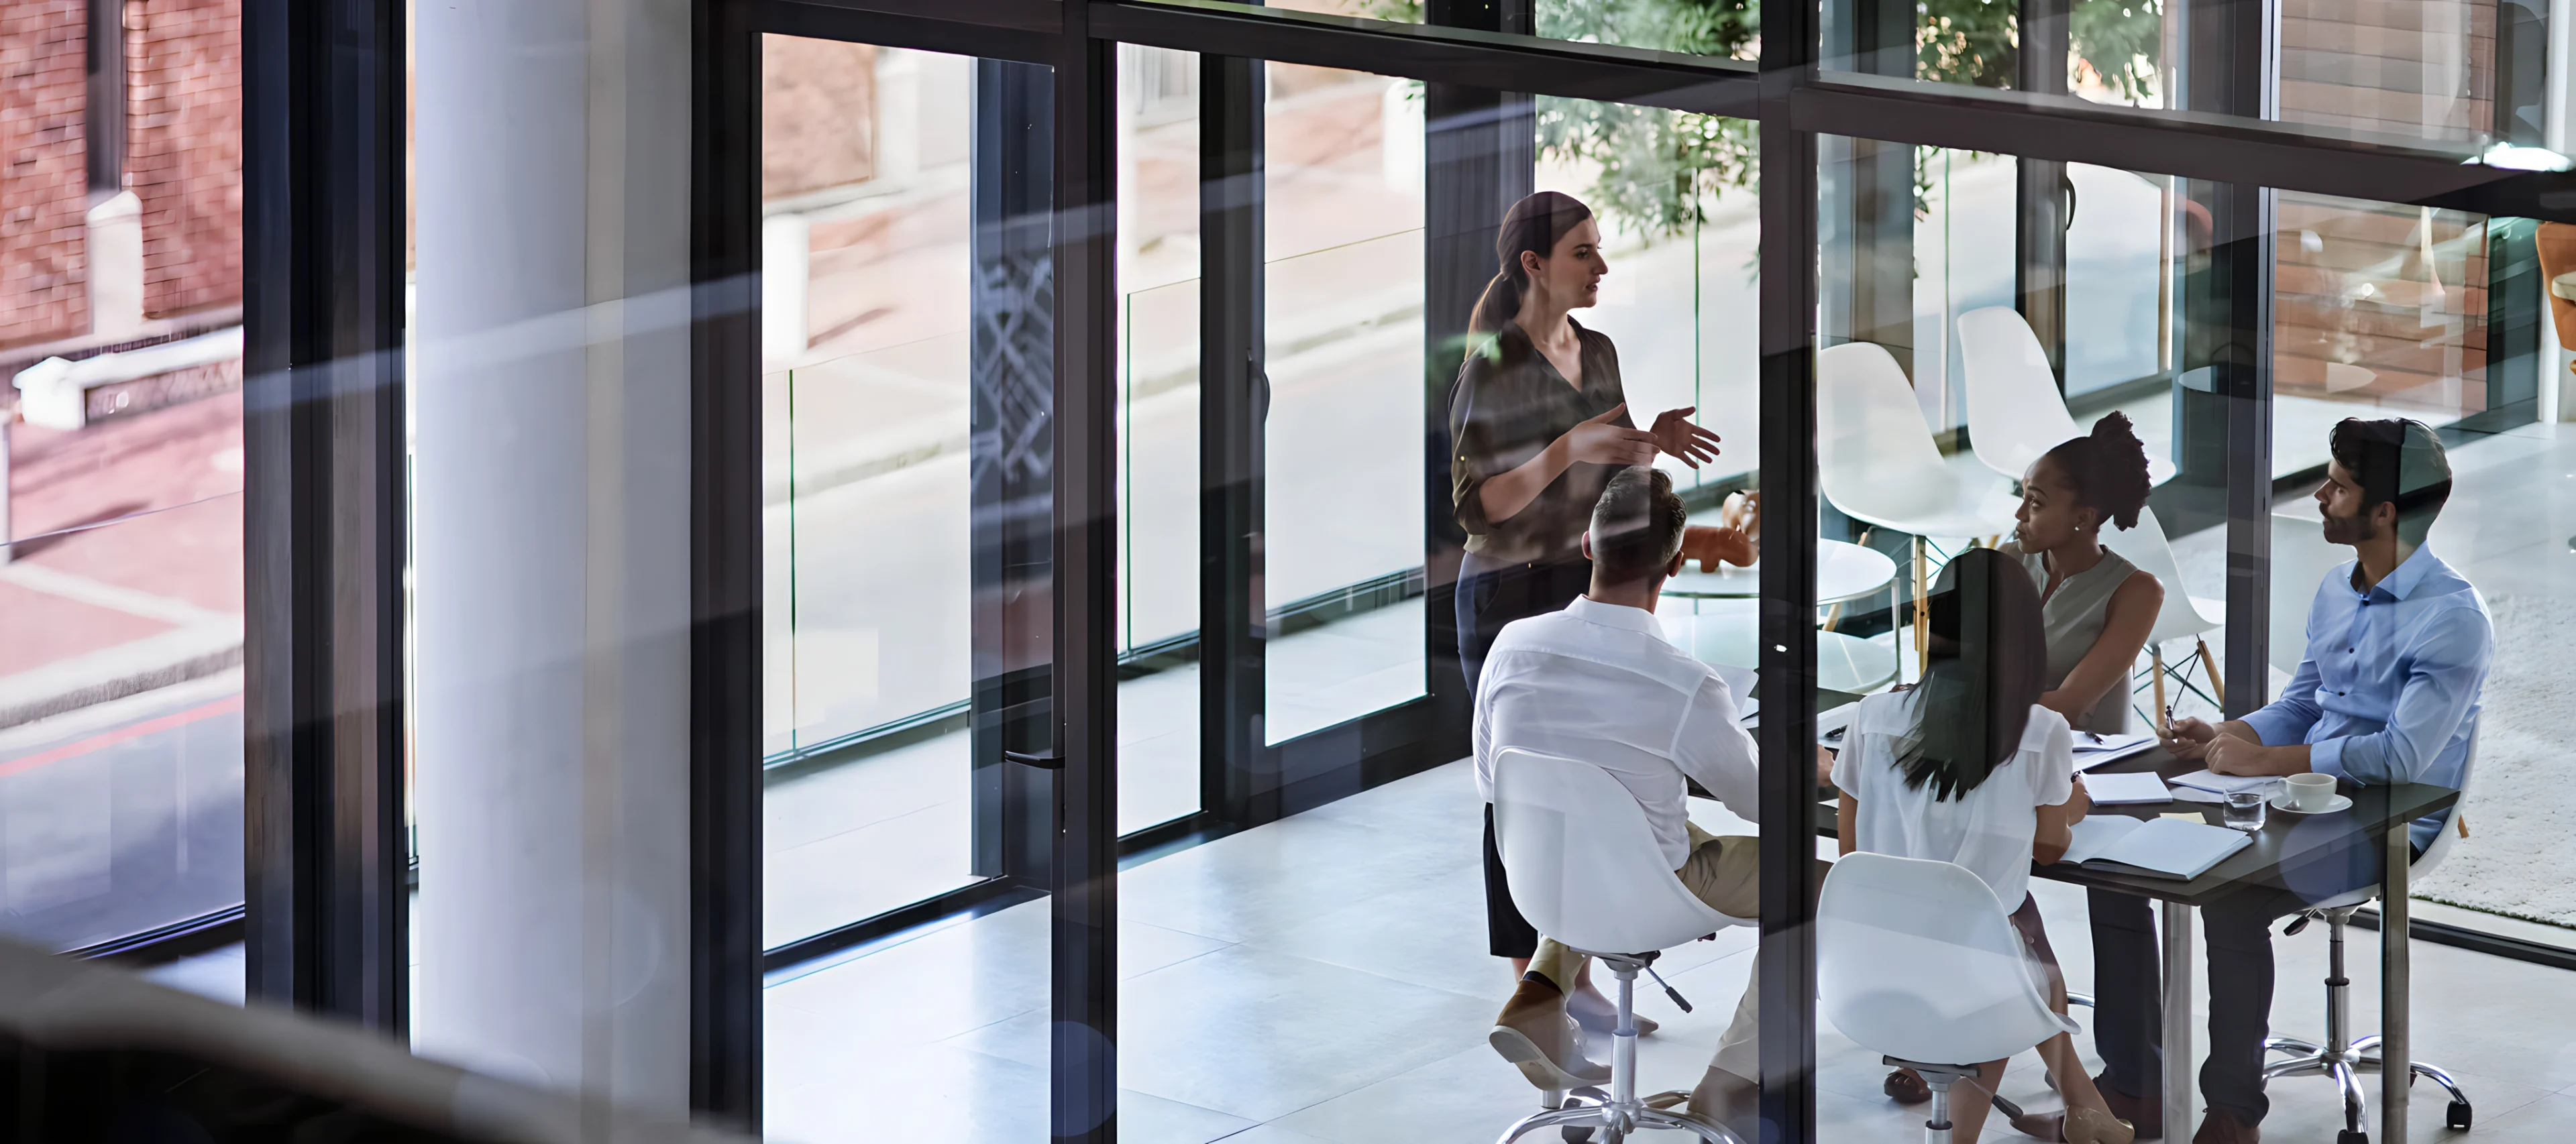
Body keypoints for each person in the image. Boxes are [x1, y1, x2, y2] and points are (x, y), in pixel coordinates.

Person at [2110, 418, 2490, 1144]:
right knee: (2148, 852)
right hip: (2308, 797)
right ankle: (2141, 1082)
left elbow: (2402, 757)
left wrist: (2266, 763)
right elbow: (2303, 702)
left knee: (2230, 896)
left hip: (2391, 818)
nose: (2320, 495)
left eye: (2339, 486)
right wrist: (2232, 735)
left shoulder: (2451, 618)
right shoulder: (2337, 590)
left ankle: (2230, 1113)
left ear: (2384, 511)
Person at [1452, 190, 1737, 1034]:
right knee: (1523, 790)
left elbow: (1604, 478)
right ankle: (1536, 980)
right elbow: (1480, 506)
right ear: (1535, 264)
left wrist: (1649, 440)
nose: (1601, 266)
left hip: (1577, 577)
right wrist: (1571, 445)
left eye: (1600, 249)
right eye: (1584, 252)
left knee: (1596, 777)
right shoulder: (1492, 365)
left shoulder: (1599, 349)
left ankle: (1566, 964)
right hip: (1506, 595)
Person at [1476, 466, 1825, 1139]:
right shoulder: (1684, 683)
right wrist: (1805, 765)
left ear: (1587, 545)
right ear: (1673, 562)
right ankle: (1727, 1084)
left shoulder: (1511, 646)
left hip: (1541, 877)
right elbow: (1760, 803)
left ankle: (1539, 990)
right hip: (1650, 888)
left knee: (1611, 823)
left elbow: (1495, 787)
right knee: (1818, 888)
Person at [1833, 549, 2134, 1144]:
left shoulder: (1872, 716)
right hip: (1976, 976)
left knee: (2017, 935)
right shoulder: (2041, 731)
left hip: (1869, 961)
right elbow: (2050, 847)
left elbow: (1852, 857)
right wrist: (2074, 805)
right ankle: (1969, 1136)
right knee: (2011, 942)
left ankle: (2085, 1107)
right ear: (2026, 639)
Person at [1998, 412, 2165, 734]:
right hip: (1988, 744)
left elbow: (2068, 706)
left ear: (2084, 518)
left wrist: (1961, 705)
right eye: (2024, 496)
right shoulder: (2007, 559)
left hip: (2074, 761)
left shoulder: (2138, 592)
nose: (2019, 514)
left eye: (2035, 503)